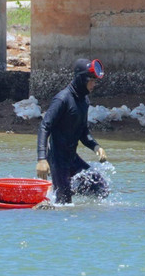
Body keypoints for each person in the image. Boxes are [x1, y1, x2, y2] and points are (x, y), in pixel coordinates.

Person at [35, 57, 110, 204]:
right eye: (91, 81)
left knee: (100, 188)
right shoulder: (62, 99)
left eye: (95, 81)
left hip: (72, 158)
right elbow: (44, 127)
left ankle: (55, 190)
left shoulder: (84, 101)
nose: (94, 85)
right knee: (65, 204)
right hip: (57, 160)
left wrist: (95, 146)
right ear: (82, 79)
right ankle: (57, 191)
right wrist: (41, 159)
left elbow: (83, 131)